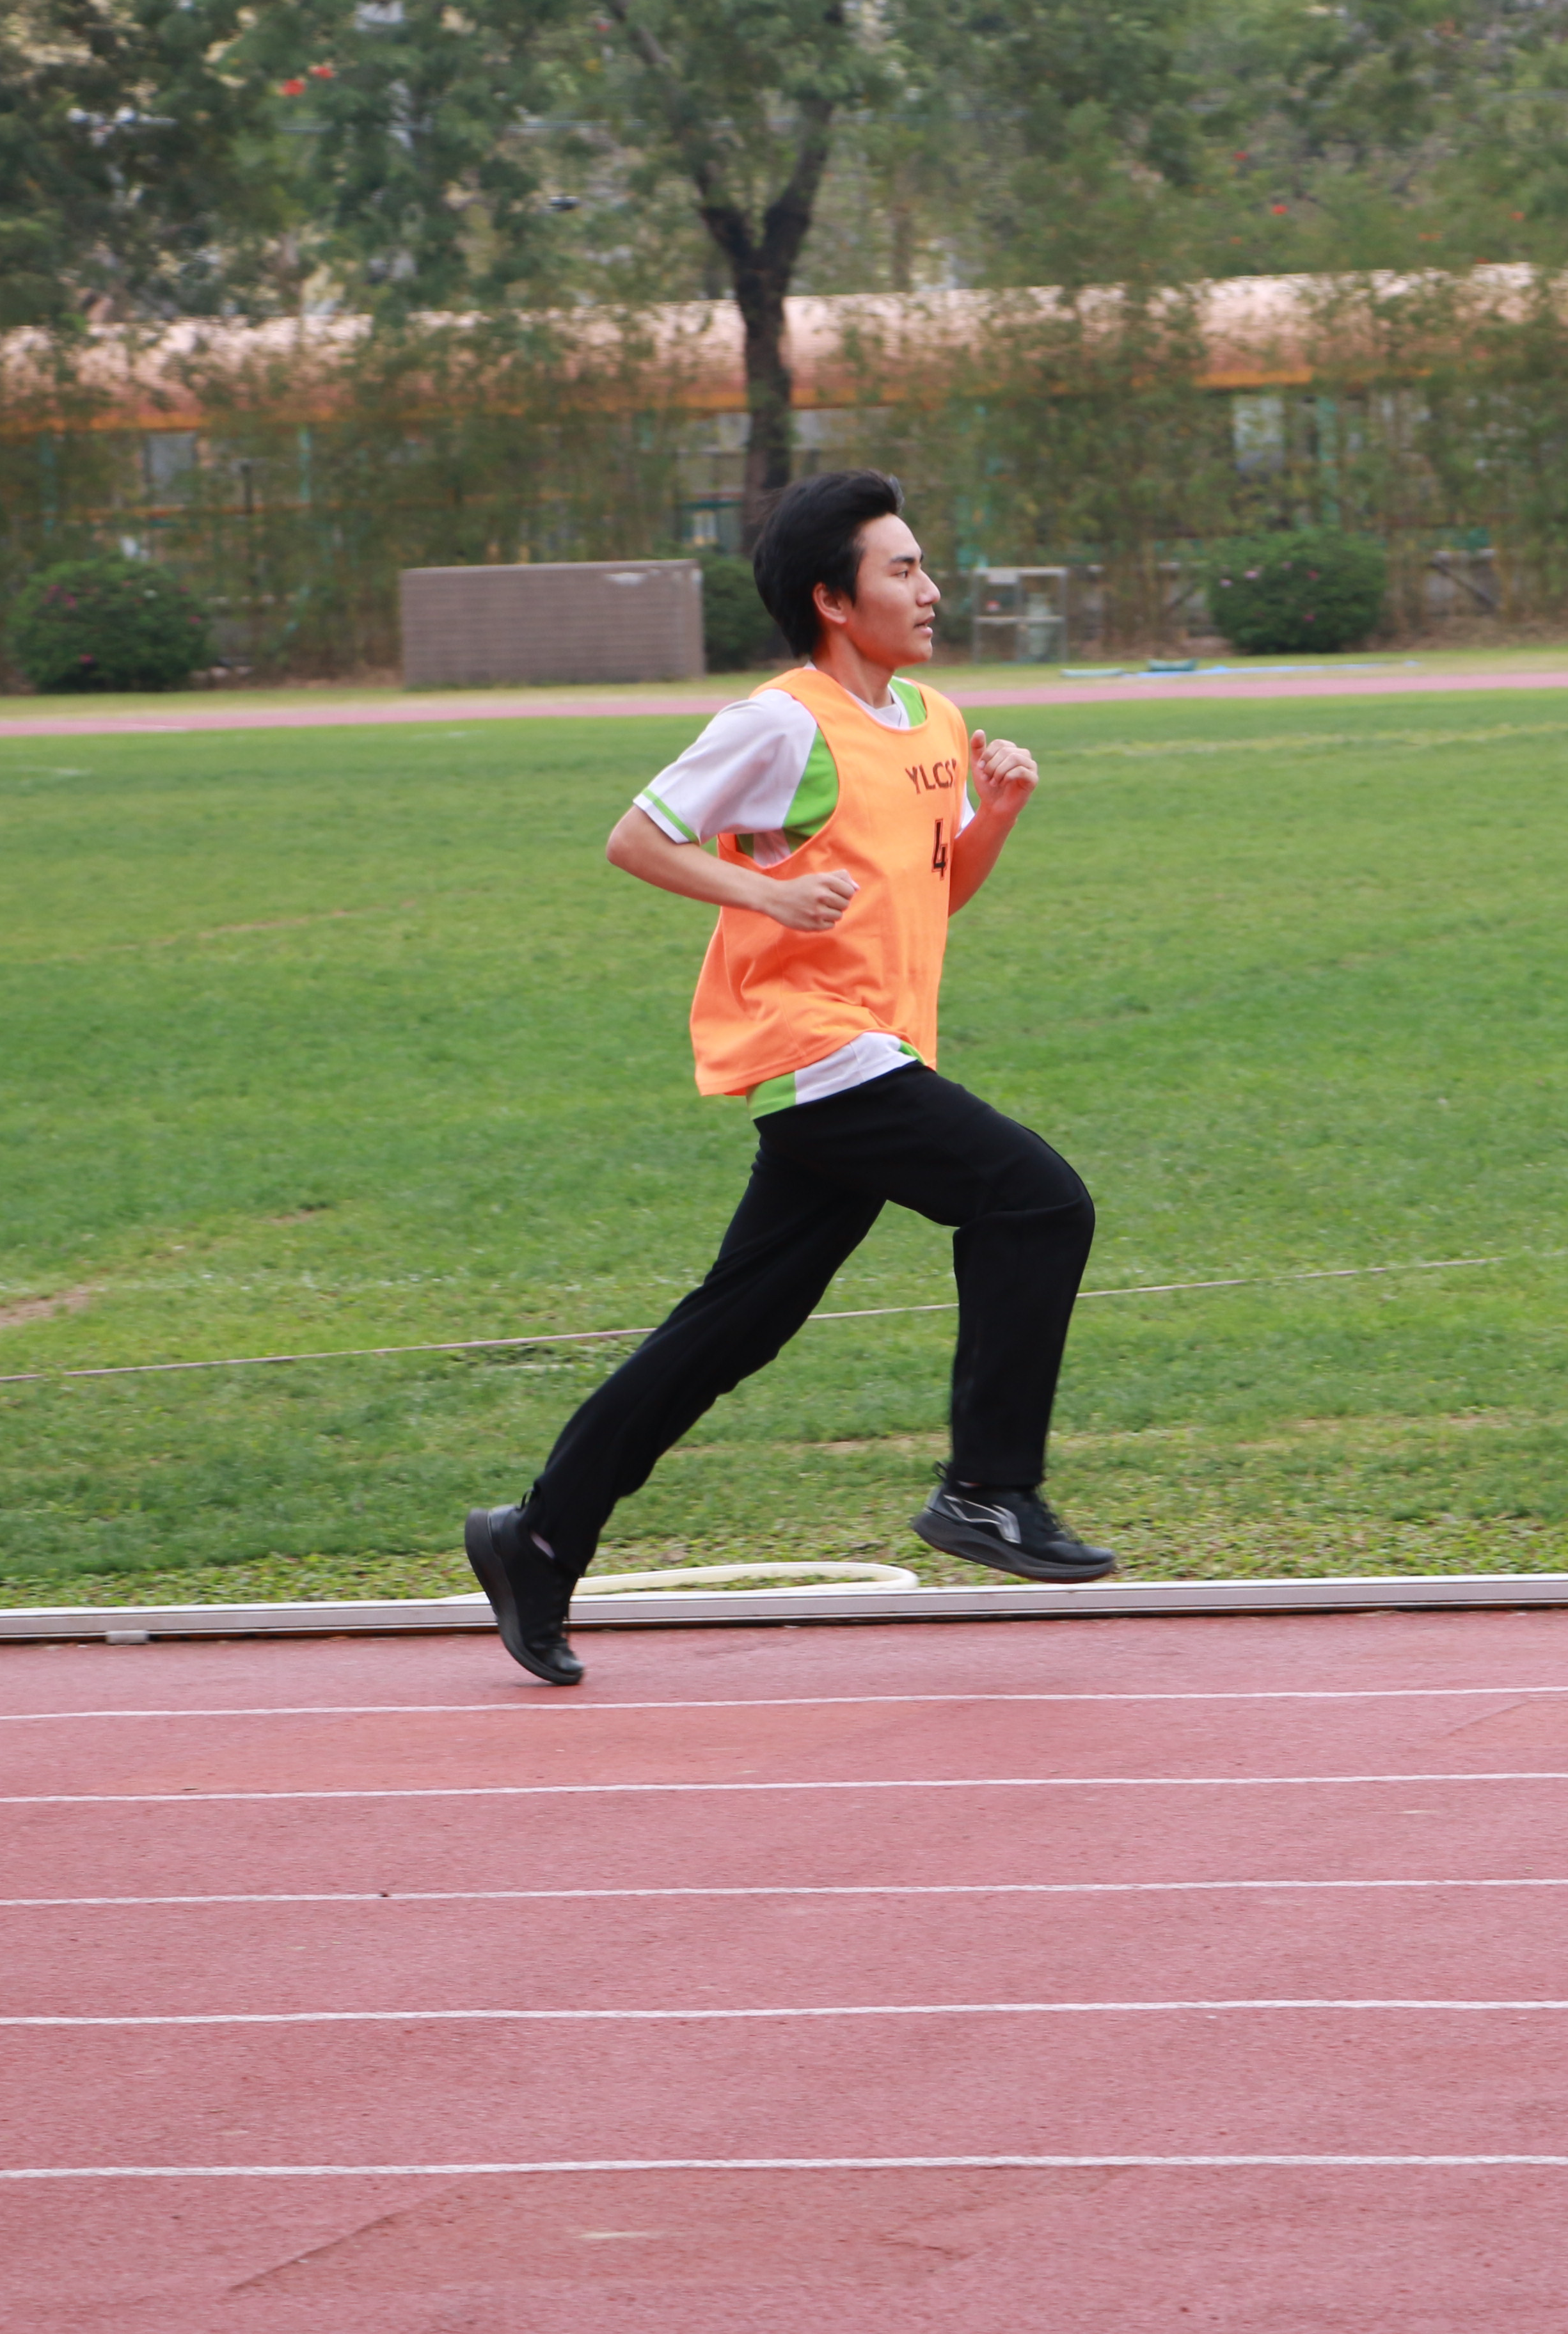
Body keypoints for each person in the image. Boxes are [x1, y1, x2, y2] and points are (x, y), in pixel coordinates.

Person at [461, 467, 1113, 1688]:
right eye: (902, 569)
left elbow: (933, 900)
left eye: (923, 565)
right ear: (832, 598)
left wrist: (999, 812)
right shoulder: (781, 723)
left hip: (877, 1048)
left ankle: (538, 1536)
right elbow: (635, 837)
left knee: (738, 1322)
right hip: (810, 1045)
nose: (929, 588)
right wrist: (765, 890)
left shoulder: (937, 723)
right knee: (1036, 1198)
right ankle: (988, 1487)